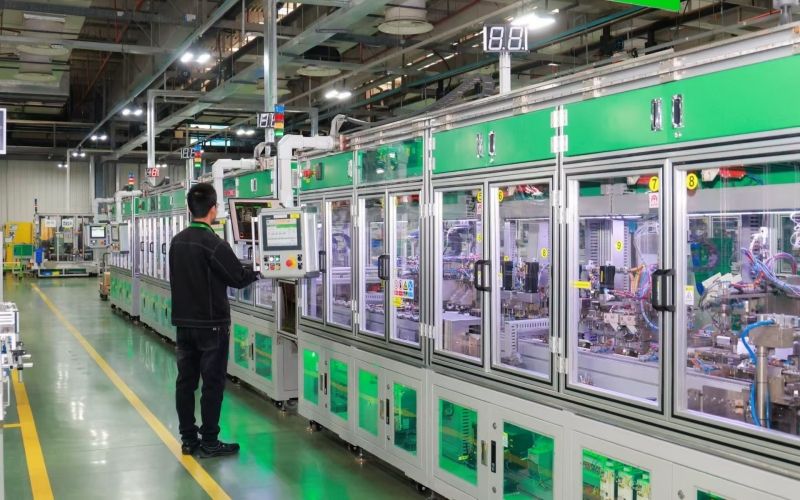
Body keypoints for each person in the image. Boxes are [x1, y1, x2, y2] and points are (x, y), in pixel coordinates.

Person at [169, 183, 260, 458]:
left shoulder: (177, 241)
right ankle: (209, 441)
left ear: (189, 209)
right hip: (212, 326)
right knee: (212, 384)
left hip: (184, 324)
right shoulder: (214, 243)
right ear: (213, 209)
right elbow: (237, 278)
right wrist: (260, 269)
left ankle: (188, 439)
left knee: (186, 382)